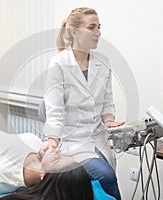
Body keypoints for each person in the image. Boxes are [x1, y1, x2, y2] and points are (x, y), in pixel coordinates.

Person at [42, 7, 123, 199]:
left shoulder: (103, 62)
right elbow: (54, 111)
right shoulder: (58, 64)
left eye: (99, 27)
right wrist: (52, 141)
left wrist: (109, 120)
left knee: (108, 178)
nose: (98, 33)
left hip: (98, 138)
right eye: (92, 27)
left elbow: (107, 103)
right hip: (72, 141)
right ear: (74, 31)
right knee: (106, 176)